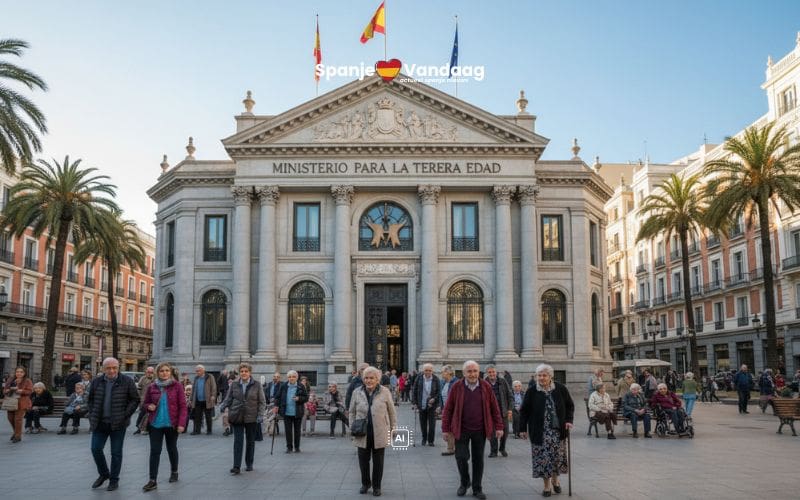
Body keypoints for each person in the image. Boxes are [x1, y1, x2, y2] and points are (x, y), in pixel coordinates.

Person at [441, 360, 504, 500]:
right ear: (463, 373)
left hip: (479, 430)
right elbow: (448, 409)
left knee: (478, 460)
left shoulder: (485, 386)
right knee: (461, 457)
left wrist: (499, 426)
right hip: (461, 429)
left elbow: (495, 408)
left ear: (478, 372)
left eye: (475, 371)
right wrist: (445, 429)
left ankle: (477, 488)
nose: (472, 374)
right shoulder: (457, 386)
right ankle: (464, 482)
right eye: (469, 371)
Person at [520, 364, 574, 498]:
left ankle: (556, 481)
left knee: (556, 458)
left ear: (551, 376)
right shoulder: (532, 391)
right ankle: (546, 486)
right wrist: (522, 429)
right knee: (543, 459)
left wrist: (568, 420)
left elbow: (570, 405)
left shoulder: (560, 389)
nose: (541, 378)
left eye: (544, 375)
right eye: (539, 375)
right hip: (540, 432)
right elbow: (524, 411)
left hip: (557, 431)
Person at [86, 357, 140, 491]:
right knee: (95, 449)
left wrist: (125, 415)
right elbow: (90, 399)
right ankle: (104, 474)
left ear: (118, 368)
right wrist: (92, 414)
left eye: (114, 368)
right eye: (108, 368)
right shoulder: (97, 381)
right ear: (103, 369)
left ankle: (114, 480)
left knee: (116, 453)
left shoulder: (127, 381)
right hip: (100, 423)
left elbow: (135, 399)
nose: (111, 370)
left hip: (118, 424)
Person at [349, 366, 397, 497]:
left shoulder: (385, 391)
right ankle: (365, 483)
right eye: (366, 378)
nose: (369, 380)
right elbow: (351, 412)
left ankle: (377, 486)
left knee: (378, 462)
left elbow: (392, 412)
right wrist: (351, 427)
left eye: (372, 378)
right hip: (361, 432)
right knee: (363, 461)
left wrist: (394, 428)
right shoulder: (357, 392)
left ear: (377, 379)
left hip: (380, 431)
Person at [141, 362, 188, 492]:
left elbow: (183, 406)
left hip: (171, 424)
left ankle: (174, 471)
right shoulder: (152, 386)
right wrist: (148, 406)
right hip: (155, 424)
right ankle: (152, 480)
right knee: (155, 451)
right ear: (158, 372)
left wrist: (181, 424)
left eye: (167, 370)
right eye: (162, 371)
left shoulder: (177, 386)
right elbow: (144, 403)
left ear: (170, 372)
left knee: (171, 448)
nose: (164, 373)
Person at [219, 362, 266, 474]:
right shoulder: (234, 384)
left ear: (250, 372)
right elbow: (229, 398)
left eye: (246, 371)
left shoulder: (257, 384)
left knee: (250, 441)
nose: (244, 373)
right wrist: (223, 405)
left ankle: (249, 464)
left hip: (252, 416)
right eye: (242, 371)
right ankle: (236, 466)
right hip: (237, 415)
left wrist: (260, 415)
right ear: (239, 373)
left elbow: (262, 402)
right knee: (238, 441)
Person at [275, 369, 308, 453]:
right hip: (286, 412)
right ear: (287, 378)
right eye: (289, 377)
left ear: (297, 377)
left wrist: (299, 398)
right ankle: (289, 447)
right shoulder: (284, 386)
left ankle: (297, 447)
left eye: (293, 377)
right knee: (288, 431)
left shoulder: (301, 386)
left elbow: (306, 398)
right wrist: (276, 406)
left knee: (297, 431)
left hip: (297, 412)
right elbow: (277, 397)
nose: (291, 378)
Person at [485, 365, 513, 456]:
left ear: (496, 372)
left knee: (505, 431)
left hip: (503, 410)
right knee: (492, 432)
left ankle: (502, 448)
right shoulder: (484, 383)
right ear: (487, 373)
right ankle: (494, 451)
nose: (492, 374)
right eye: (490, 372)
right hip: (490, 412)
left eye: (493, 372)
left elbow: (510, 395)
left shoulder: (503, 381)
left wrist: (510, 409)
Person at [412, 363, 441, 446]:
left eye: (430, 370)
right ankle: (424, 438)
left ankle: (431, 440)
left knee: (432, 424)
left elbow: (439, 392)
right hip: (422, 404)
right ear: (423, 371)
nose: (428, 372)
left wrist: (434, 399)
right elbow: (414, 390)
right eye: (426, 370)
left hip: (432, 405)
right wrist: (414, 403)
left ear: (432, 371)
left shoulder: (436, 379)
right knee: (423, 424)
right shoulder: (419, 378)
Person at [3, 366, 33, 442]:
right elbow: (4, 390)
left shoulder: (27, 381)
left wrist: (21, 391)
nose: (19, 373)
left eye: (21, 372)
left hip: (21, 402)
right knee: (10, 418)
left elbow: (30, 391)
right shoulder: (10, 379)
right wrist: (9, 390)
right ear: (15, 372)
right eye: (17, 372)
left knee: (18, 419)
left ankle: (18, 436)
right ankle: (16, 432)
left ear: (24, 373)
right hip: (11, 401)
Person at [191, 364, 218, 435]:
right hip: (197, 400)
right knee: (197, 416)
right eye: (196, 371)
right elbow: (193, 389)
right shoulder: (196, 378)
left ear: (203, 370)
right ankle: (197, 430)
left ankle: (209, 430)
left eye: (198, 371)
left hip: (207, 400)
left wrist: (213, 396)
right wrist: (191, 399)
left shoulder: (210, 377)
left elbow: (214, 387)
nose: (197, 372)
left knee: (208, 416)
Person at [439, 365, 458, 455]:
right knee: (448, 428)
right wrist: (441, 407)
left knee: (455, 428)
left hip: (454, 410)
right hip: (446, 410)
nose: (442, 374)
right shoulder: (443, 382)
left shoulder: (456, 382)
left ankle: (456, 447)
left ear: (449, 373)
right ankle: (450, 448)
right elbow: (442, 396)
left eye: (443, 372)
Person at [133, 366, 155, 435]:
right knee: (142, 414)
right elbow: (139, 389)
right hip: (143, 400)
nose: (150, 374)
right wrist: (139, 398)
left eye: (151, 372)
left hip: (152, 401)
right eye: (148, 372)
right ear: (146, 372)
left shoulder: (155, 380)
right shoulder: (143, 378)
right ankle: (139, 427)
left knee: (149, 415)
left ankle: (146, 428)